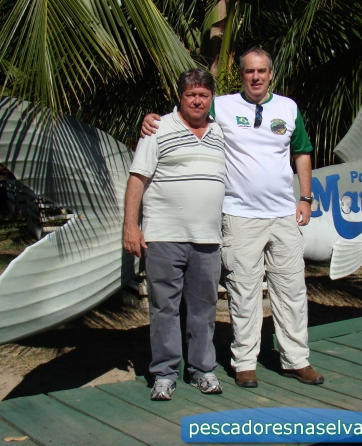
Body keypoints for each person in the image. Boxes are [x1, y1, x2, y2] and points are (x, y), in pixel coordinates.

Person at [142, 47, 324, 388]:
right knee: (244, 293)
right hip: (239, 215)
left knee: (292, 291)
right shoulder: (222, 105)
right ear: (241, 75)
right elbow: (187, 110)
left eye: (261, 71)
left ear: (271, 74)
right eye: (249, 71)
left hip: (283, 214)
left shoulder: (288, 107)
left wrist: (305, 197)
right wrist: (152, 120)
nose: (255, 77)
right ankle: (244, 363)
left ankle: (297, 360)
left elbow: (301, 152)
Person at [124, 68, 225, 400]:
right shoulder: (157, 129)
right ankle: (164, 374)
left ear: (211, 98)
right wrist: (131, 226)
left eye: (203, 95)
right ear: (179, 97)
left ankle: (202, 370)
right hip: (164, 236)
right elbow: (137, 178)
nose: (197, 100)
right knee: (164, 308)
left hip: (207, 238)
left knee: (204, 308)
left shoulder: (221, 132)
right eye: (190, 94)